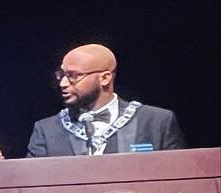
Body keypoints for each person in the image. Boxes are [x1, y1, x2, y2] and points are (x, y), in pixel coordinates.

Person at [27, 43, 184, 157]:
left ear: (105, 78)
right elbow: (31, 189)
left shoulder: (156, 121)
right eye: (61, 75)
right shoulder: (46, 131)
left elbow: (179, 182)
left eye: (73, 76)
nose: (63, 83)